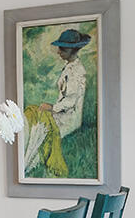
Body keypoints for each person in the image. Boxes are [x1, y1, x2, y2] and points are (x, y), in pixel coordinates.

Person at [23, 28, 90, 177]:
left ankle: (30, 163)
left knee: (40, 125)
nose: (59, 52)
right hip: (62, 112)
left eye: (62, 49)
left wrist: (52, 107)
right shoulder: (69, 67)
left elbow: (71, 101)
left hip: (69, 118)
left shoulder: (76, 71)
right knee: (33, 112)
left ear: (72, 51)